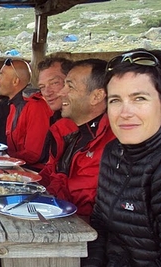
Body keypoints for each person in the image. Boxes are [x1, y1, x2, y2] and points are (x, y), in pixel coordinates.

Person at [18, 48, 161, 267]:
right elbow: (101, 231)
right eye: (116, 100)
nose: (125, 112)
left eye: (139, 98)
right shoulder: (117, 152)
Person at [42, 59, 115, 219]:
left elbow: (79, 198)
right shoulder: (66, 130)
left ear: (96, 96)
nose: (61, 92)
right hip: (55, 213)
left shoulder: (110, 141)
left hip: (83, 230)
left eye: (70, 86)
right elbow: (49, 172)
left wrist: (39, 193)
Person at [0, 58, 51, 170]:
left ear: (15, 81)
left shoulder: (36, 106)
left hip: (34, 172)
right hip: (17, 167)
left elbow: (33, 154)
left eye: (1, 75)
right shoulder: (15, 104)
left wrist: (4, 159)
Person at [36, 56, 78, 186]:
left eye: (54, 83)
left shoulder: (84, 123)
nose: (47, 92)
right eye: (42, 87)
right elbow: (52, 169)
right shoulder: (56, 119)